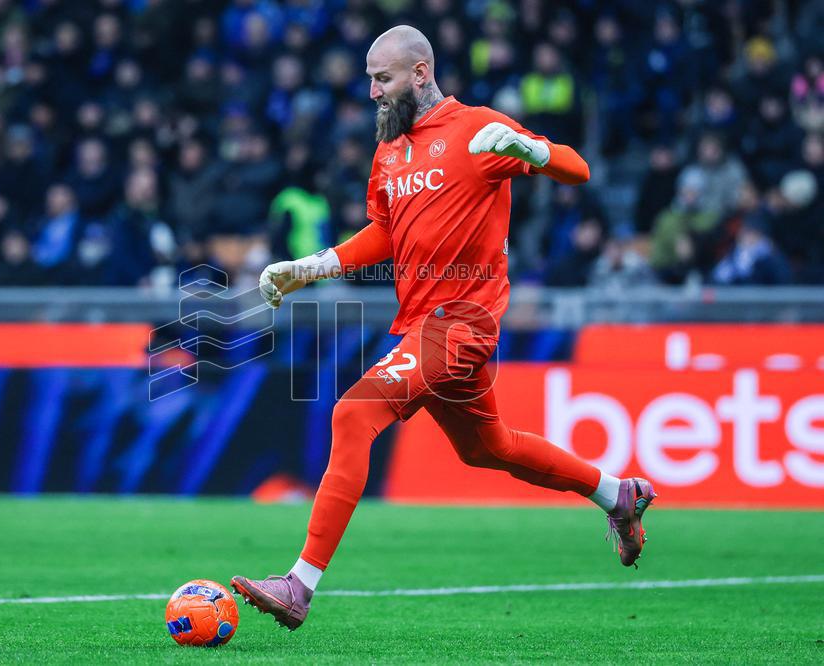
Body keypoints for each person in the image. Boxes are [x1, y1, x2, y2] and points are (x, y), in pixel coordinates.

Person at [231, 26, 656, 631]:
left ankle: (298, 586)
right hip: (424, 327)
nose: (373, 91)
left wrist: (531, 150)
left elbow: (579, 170)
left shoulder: (478, 129)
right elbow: (385, 233)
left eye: (384, 78)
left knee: (354, 414)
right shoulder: (389, 150)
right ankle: (619, 495)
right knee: (491, 448)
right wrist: (313, 267)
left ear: (421, 73)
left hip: (463, 323)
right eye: (370, 79)